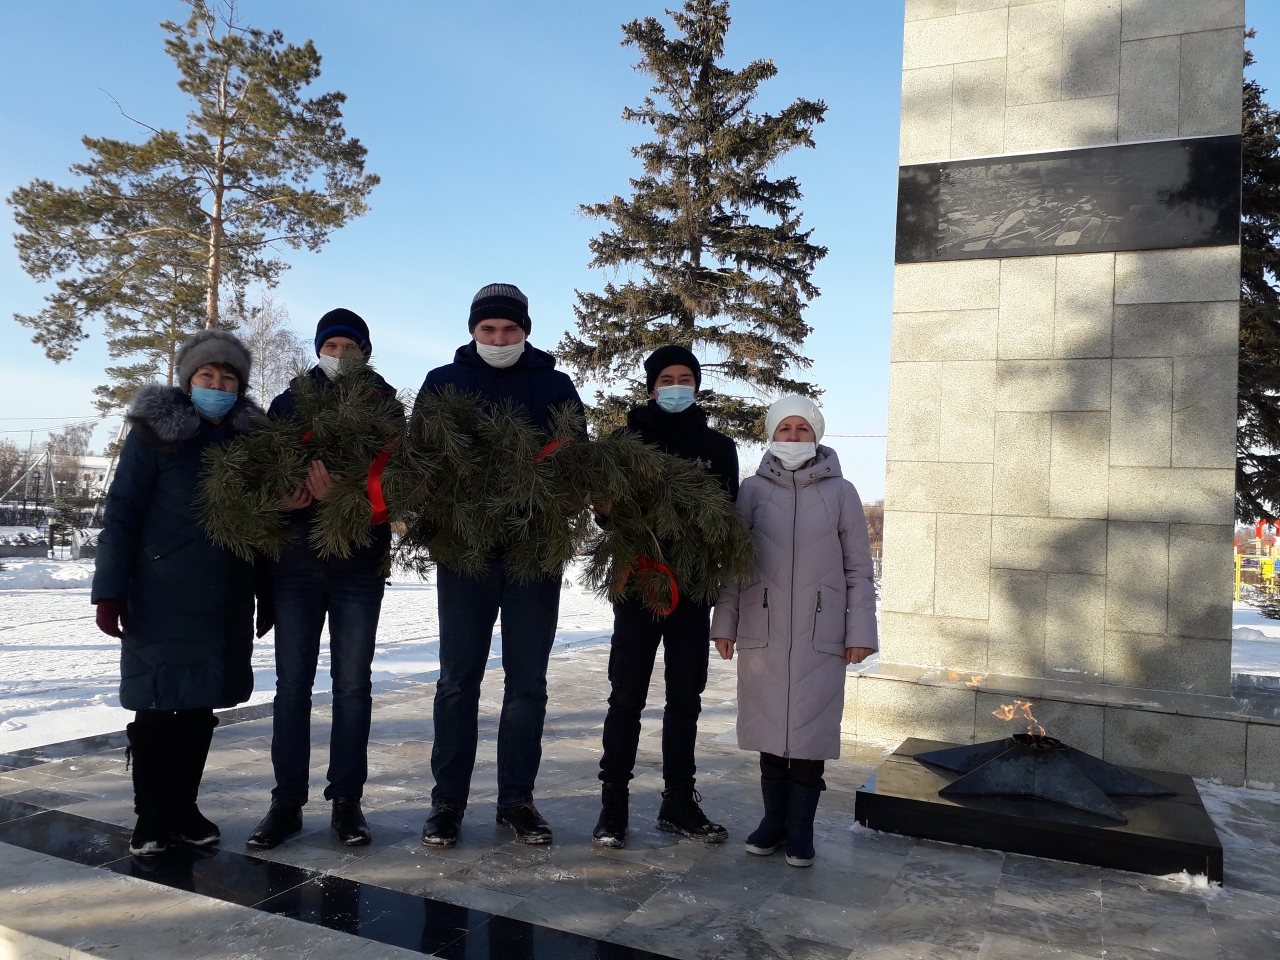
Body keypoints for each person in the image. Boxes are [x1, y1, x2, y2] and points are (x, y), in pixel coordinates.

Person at [416, 283, 585, 847]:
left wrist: (559, 493)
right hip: (465, 551)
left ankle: (517, 800)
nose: (499, 339)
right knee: (458, 681)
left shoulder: (555, 385)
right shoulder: (444, 383)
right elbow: (421, 459)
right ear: (472, 331)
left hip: (533, 551)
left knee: (527, 682)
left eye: (509, 330)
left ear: (526, 331)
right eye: (488, 329)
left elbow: (575, 461)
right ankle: (447, 802)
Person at [92, 330, 263, 857]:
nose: (217, 385)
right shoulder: (154, 433)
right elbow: (122, 511)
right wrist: (110, 590)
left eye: (228, 378)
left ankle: (184, 809)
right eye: (207, 376)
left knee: (198, 705)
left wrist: (269, 591)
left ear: (239, 386)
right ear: (188, 380)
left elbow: (265, 522)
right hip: (162, 589)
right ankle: (151, 816)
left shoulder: (252, 441)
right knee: (157, 702)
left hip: (226, 591)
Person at [247, 308, 403, 850]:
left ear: (365, 350)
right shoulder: (288, 403)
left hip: (358, 564)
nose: (339, 356)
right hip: (295, 565)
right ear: (318, 349)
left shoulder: (386, 406)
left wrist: (350, 494)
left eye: (350, 346)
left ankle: (347, 803)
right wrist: (284, 497)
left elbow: (401, 485)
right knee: (292, 687)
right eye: (331, 346)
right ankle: (285, 802)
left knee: (352, 686)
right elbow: (262, 472)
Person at [711, 395, 877, 867]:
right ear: (771, 435)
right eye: (785, 429)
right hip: (762, 630)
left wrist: (859, 630)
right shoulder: (751, 490)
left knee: (809, 730)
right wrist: (725, 622)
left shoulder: (842, 492)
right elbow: (734, 564)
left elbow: (859, 568)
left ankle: (800, 829)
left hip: (819, 633)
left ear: (817, 435)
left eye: (802, 429)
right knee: (768, 727)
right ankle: (772, 822)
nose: (793, 438)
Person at [592, 345, 739, 849]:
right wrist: (608, 507)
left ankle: (678, 800)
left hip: (692, 589)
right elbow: (605, 514)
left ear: (696, 385)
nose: (677, 385)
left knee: (685, 698)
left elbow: (726, 513)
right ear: (651, 386)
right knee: (626, 695)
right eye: (667, 378)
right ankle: (613, 805)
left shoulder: (718, 447)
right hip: (638, 584)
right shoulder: (625, 440)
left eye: (686, 378)